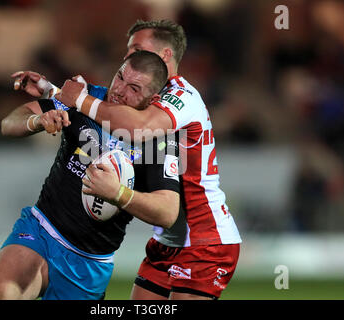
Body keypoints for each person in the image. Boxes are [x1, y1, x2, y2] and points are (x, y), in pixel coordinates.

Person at [55, 19, 242, 300]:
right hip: (167, 240)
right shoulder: (145, 96)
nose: (129, 56)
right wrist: (50, 91)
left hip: (204, 239)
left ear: (166, 55)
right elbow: (112, 110)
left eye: (137, 48)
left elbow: (137, 129)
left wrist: (81, 101)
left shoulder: (181, 96)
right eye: (128, 50)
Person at [0, 51, 181, 300]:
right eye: (120, 77)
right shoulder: (85, 100)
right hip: (42, 229)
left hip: (89, 264)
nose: (119, 90)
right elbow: (9, 123)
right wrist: (38, 121)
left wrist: (118, 194)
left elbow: (168, 212)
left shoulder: (157, 138)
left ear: (153, 99)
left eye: (134, 88)